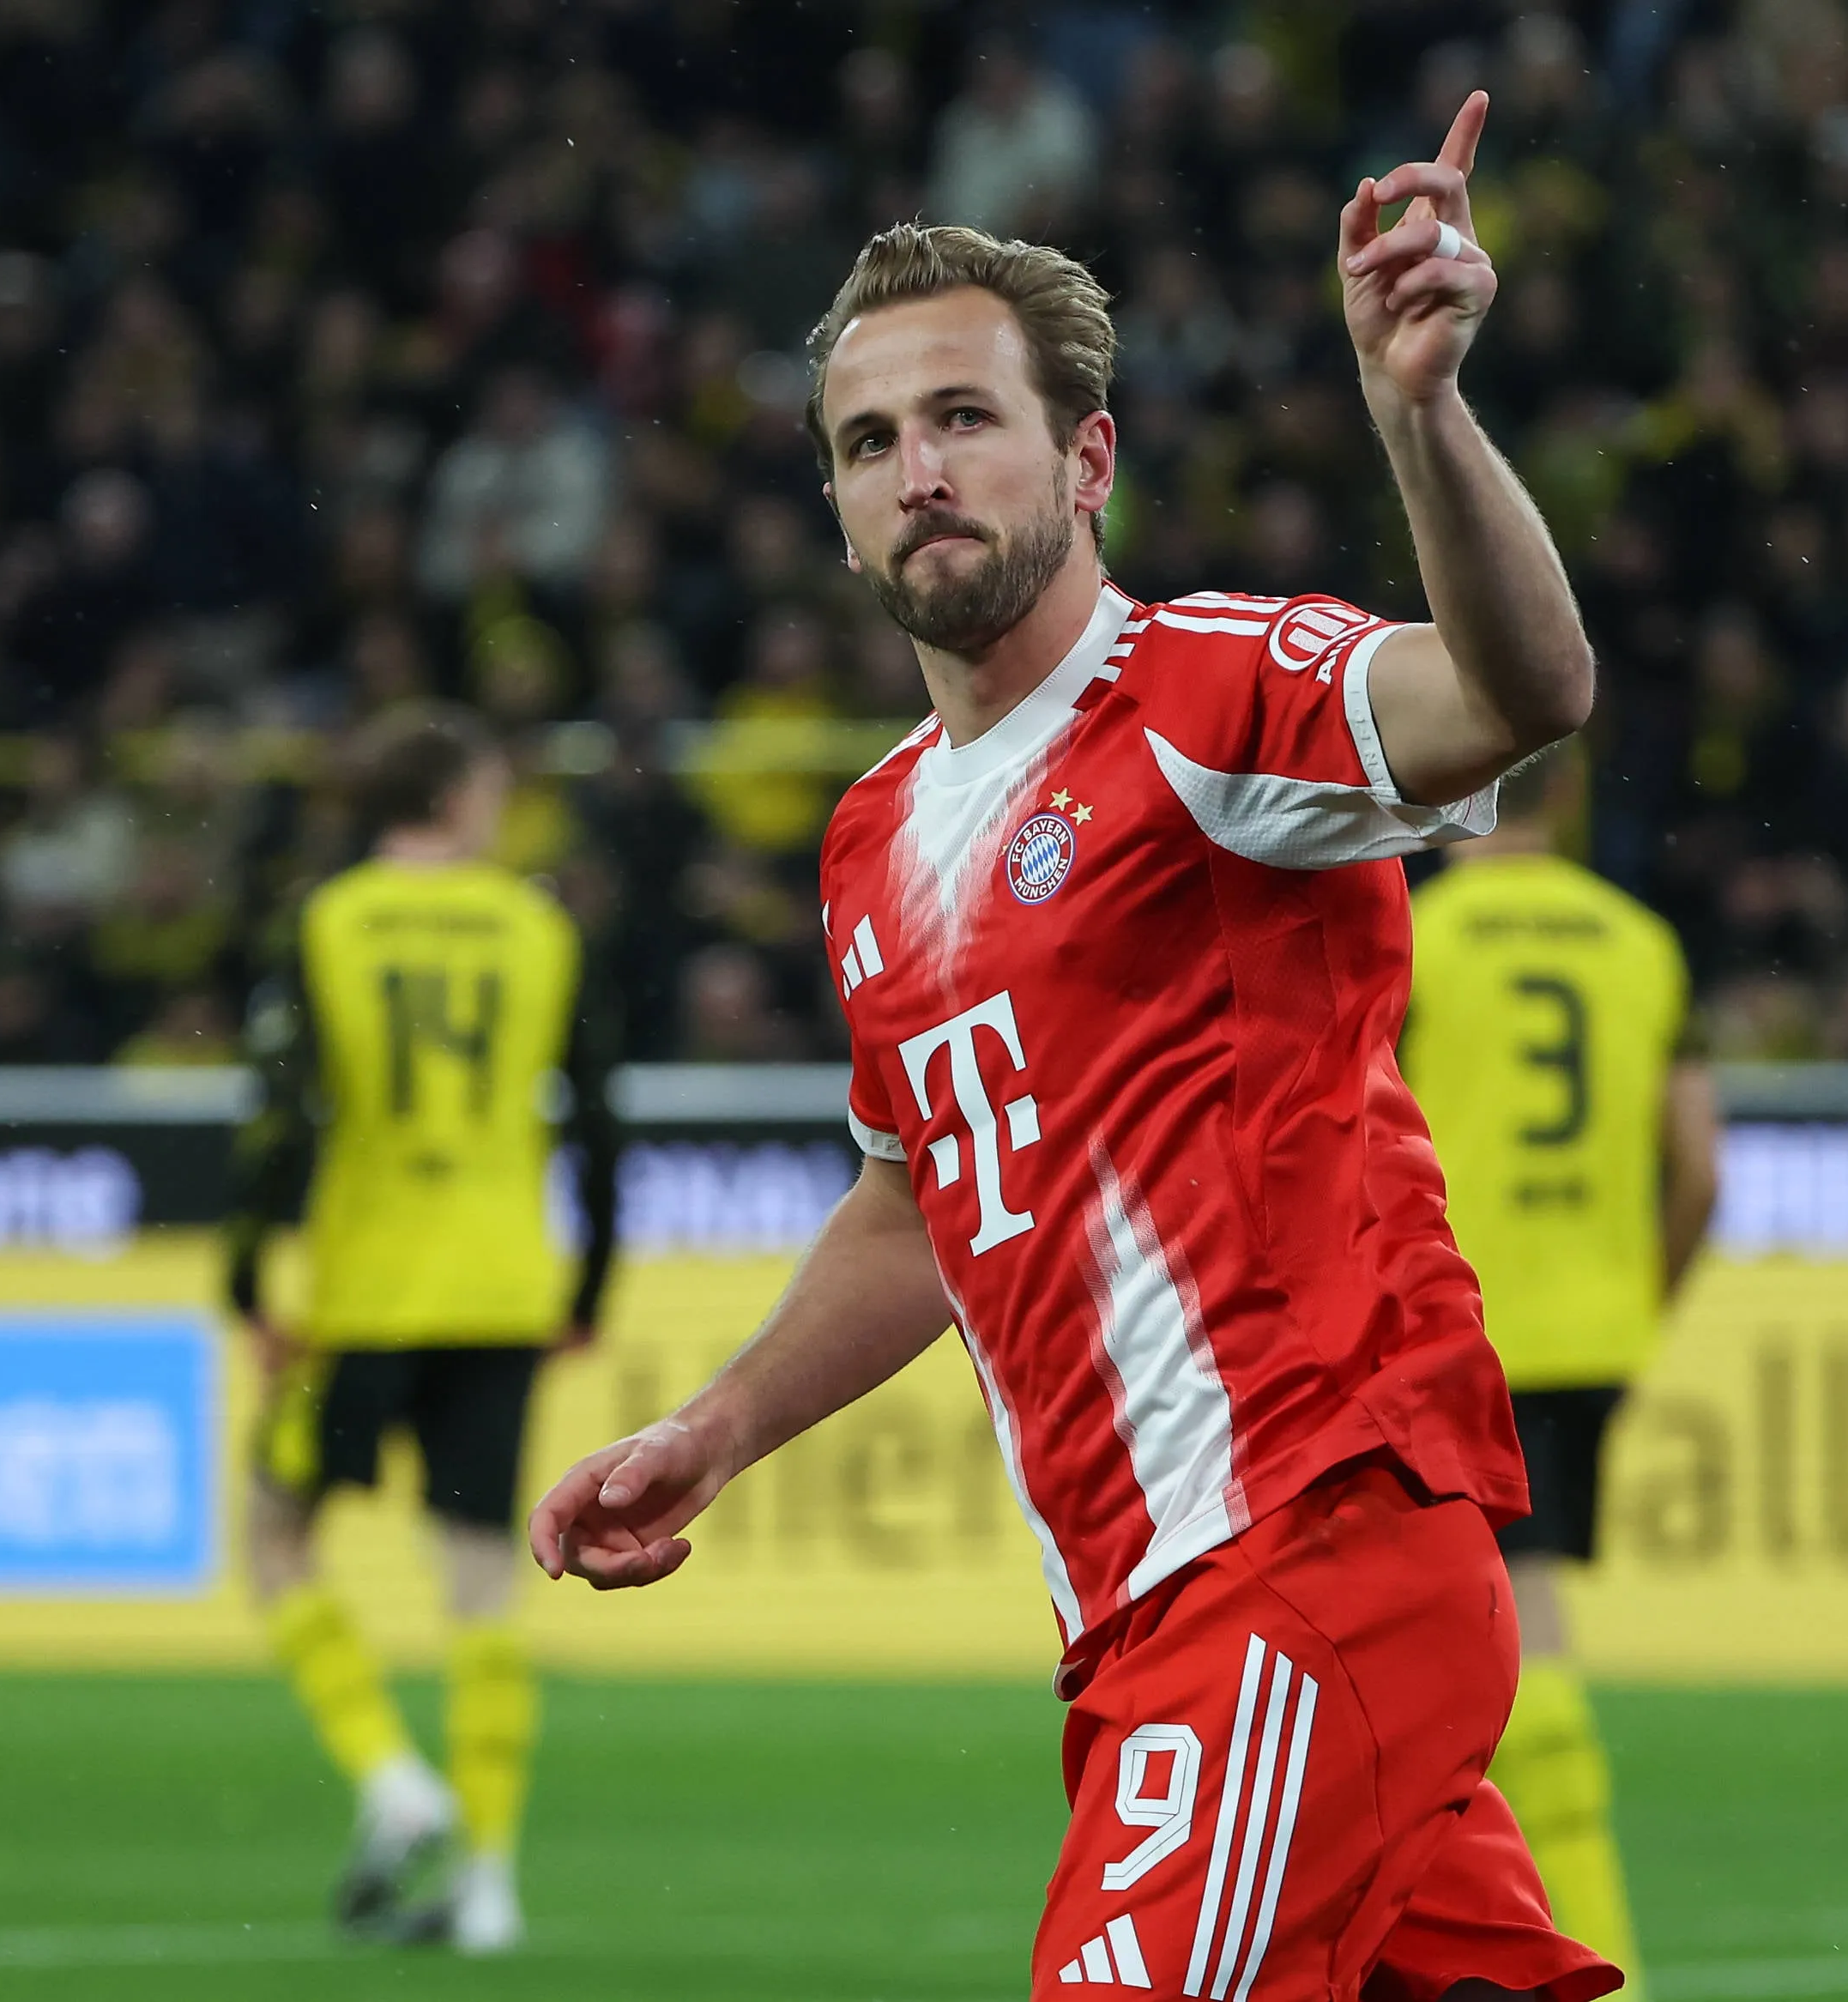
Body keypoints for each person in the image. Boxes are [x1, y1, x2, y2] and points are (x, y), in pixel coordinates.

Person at [532, 95, 1622, 2002]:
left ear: (1085, 455)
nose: (919, 469)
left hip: (1303, 1546)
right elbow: (916, 1203)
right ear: (836, 504)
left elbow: (1521, 694)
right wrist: (716, 1429)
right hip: (1135, 1614)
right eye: (870, 442)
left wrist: (1418, 412)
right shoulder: (872, 836)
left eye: (964, 418)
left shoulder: (1206, 691)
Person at [223, 703, 621, 1954]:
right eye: (491, 786)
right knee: (482, 1575)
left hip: (368, 1288)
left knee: (273, 1535)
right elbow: (598, 1117)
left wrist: (247, 1276)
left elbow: (282, 1111)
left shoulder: (331, 922)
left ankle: (391, 1775)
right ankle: (493, 1881)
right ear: (451, 797)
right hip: (504, 1284)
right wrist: (589, 1286)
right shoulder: (538, 925)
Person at [1399, 747, 1721, 2002]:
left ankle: (1590, 1950)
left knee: (1486, 1635)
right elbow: (1696, 1169)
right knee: (1506, 1616)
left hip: (1456, 1332)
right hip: (1591, 1330)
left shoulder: (1421, 939)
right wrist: (1635, 1304)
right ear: (1572, 796)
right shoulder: (1638, 943)